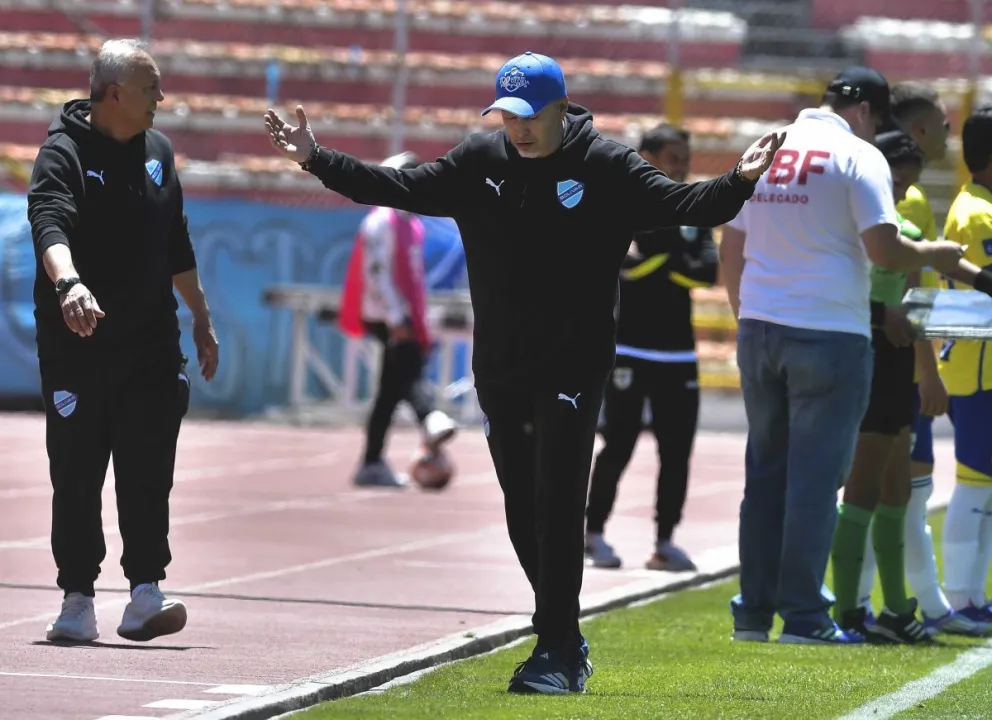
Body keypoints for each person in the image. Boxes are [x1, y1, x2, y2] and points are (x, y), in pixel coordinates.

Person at [265, 50, 784, 692]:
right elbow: (395, 187)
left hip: (574, 362)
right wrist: (317, 159)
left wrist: (739, 179)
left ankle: (557, 652)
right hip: (502, 366)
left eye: (531, 116)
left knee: (559, 504)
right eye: (508, 116)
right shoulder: (478, 161)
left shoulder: (607, 165)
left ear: (563, 108)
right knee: (519, 508)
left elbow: (688, 204)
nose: (520, 129)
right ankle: (563, 634)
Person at [719, 66, 965, 645]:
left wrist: (747, 317)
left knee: (766, 476)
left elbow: (731, 245)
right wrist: (936, 251)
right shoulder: (859, 156)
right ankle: (804, 615)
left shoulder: (765, 145)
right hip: (828, 331)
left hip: (760, 326)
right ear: (866, 113)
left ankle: (753, 613)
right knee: (814, 480)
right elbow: (883, 249)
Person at [27, 38, 219, 643]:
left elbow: (177, 246)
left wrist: (202, 320)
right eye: (150, 88)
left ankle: (145, 593)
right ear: (114, 94)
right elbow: (48, 221)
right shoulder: (62, 153)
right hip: (79, 347)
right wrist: (70, 286)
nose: (161, 98)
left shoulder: (159, 150)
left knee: (147, 472)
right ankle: (77, 600)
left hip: (152, 348)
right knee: (78, 474)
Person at [855, 83, 990, 636]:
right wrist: (928, 368)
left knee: (906, 489)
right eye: (937, 124)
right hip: (913, 361)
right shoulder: (902, 199)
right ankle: (918, 602)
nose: (945, 135)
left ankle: (920, 602)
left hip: (909, 357)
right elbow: (913, 288)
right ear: (913, 133)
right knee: (892, 489)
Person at [584, 122, 714, 573]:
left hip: (679, 352)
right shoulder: (624, 200)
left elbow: (708, 273)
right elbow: (626, 269)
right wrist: (674, 255)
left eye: (685, 156)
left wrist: (662, 253)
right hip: (630, 349)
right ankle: (593, 532)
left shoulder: (695, 205)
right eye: (673, 155)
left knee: (676, 452)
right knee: (617, 445)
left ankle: (664, 541)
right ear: (649, 155)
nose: (681, 165)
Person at [828, 130, 937, 645]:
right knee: (864, 487)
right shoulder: (849, 232)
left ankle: (895, 608)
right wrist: (880, 314)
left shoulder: (907, 232)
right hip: (862, 360)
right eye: (893, 182)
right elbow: (835, 292)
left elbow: (914, 310)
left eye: (907, 186)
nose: (897, 194)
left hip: (896, 370)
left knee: (895, 491)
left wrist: (928, 371)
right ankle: (848, 609)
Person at [337, 150, 457, 488]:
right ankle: (428, 415)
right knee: (407, 367)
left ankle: (371, 462)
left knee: (390, 391)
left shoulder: (412, 225)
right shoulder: (380, 222)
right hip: (385, 316)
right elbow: (378, 275)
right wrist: (396, 317)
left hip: (403, 315)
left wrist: (418, 317)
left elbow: (414, 278)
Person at [937, 105, 992, 626]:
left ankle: (974, 595)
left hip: (983, 363)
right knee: (975, 480)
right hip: (978, 366)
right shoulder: (977, 214)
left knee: (985, 483)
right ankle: (961, 597)